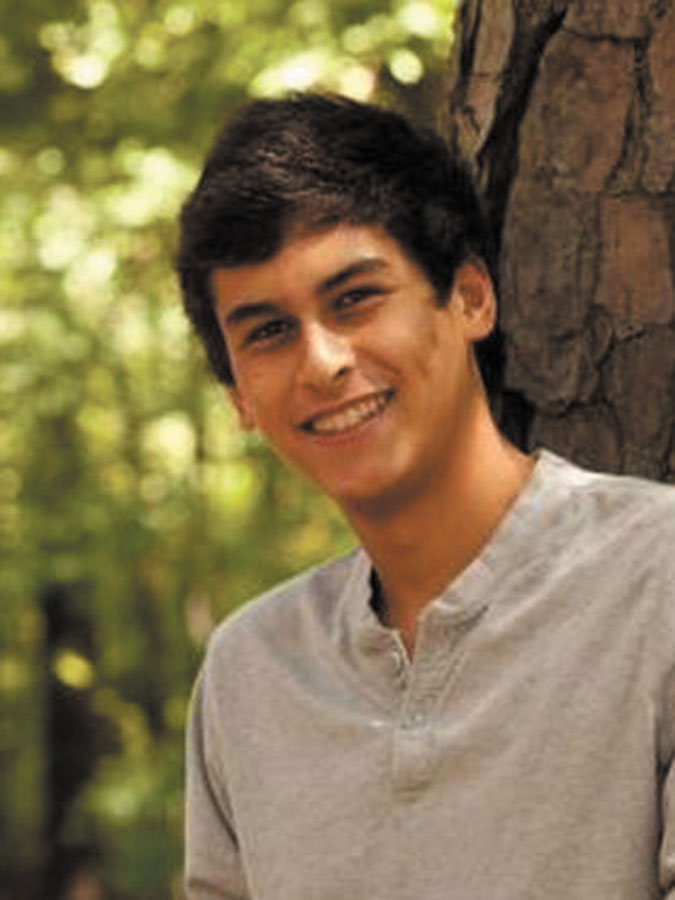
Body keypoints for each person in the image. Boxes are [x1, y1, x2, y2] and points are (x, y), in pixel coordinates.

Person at [177, 93, 675, 899]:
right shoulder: (248, 677)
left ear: (470, 297)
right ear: (237, 395)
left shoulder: (656, 580)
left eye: (354, 298)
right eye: (267, 331)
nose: (322, 362)